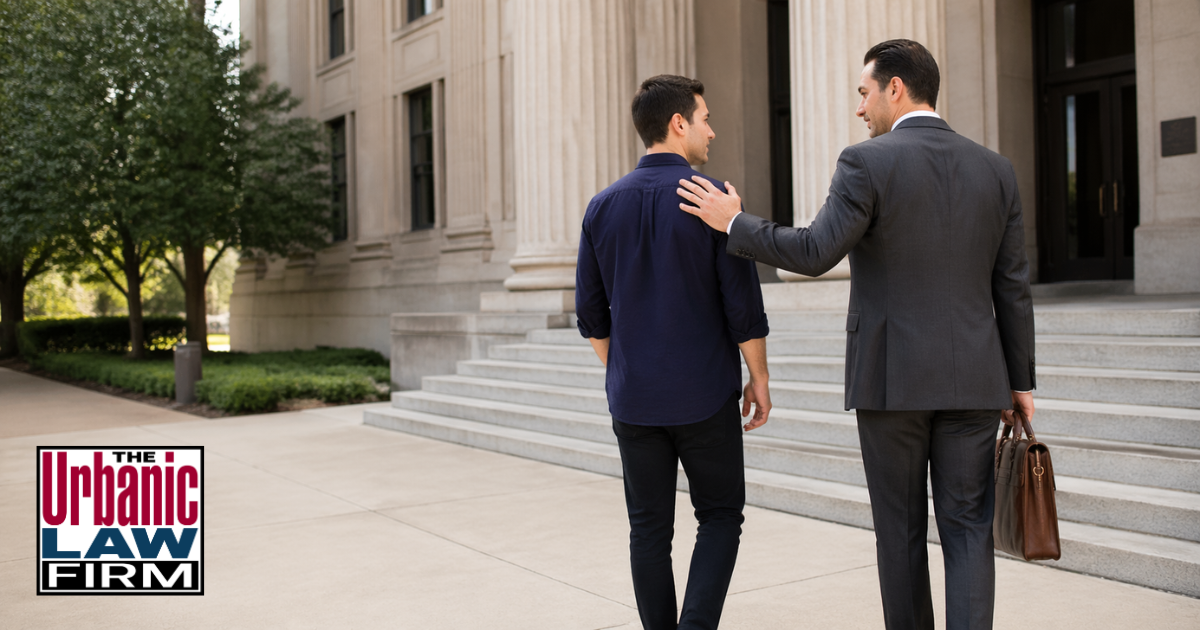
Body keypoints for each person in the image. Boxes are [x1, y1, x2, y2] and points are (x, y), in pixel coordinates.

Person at [676, 40, 1036, 630]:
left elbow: (816, 251)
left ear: (896, 88)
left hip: (891, 381)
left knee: (899, 532)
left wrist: (733, 223)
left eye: (864, 94)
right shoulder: (996, 170)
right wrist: (1019, 380)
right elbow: (1012, 286)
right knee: (969, 529)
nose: (861, 110)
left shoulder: (866, 162)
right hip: (977, 378)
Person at [575, 74, 771, 630]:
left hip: (634, 398)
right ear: (678, 123)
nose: (712, 130)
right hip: (705, 393)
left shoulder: (601, 206)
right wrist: (758, 376)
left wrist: (625, 372)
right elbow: (743, 306)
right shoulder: (714, 200)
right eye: (705, 118)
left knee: (648, 529)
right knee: (720, 516)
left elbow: (591, 315)